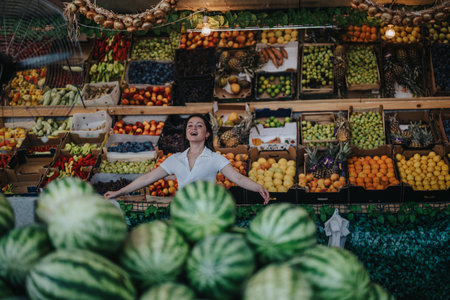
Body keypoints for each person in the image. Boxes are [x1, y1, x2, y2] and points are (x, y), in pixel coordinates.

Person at [104, 114, 270, 204]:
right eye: (190, 125)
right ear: (186, 133)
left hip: (208, 212)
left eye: (199, 125)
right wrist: (119, 192)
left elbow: (238, 177)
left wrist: (258, 187)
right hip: (183, 212)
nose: (193, 128)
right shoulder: (175, 159)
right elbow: (147, 178)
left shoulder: (214, 158)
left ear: (206, 134)